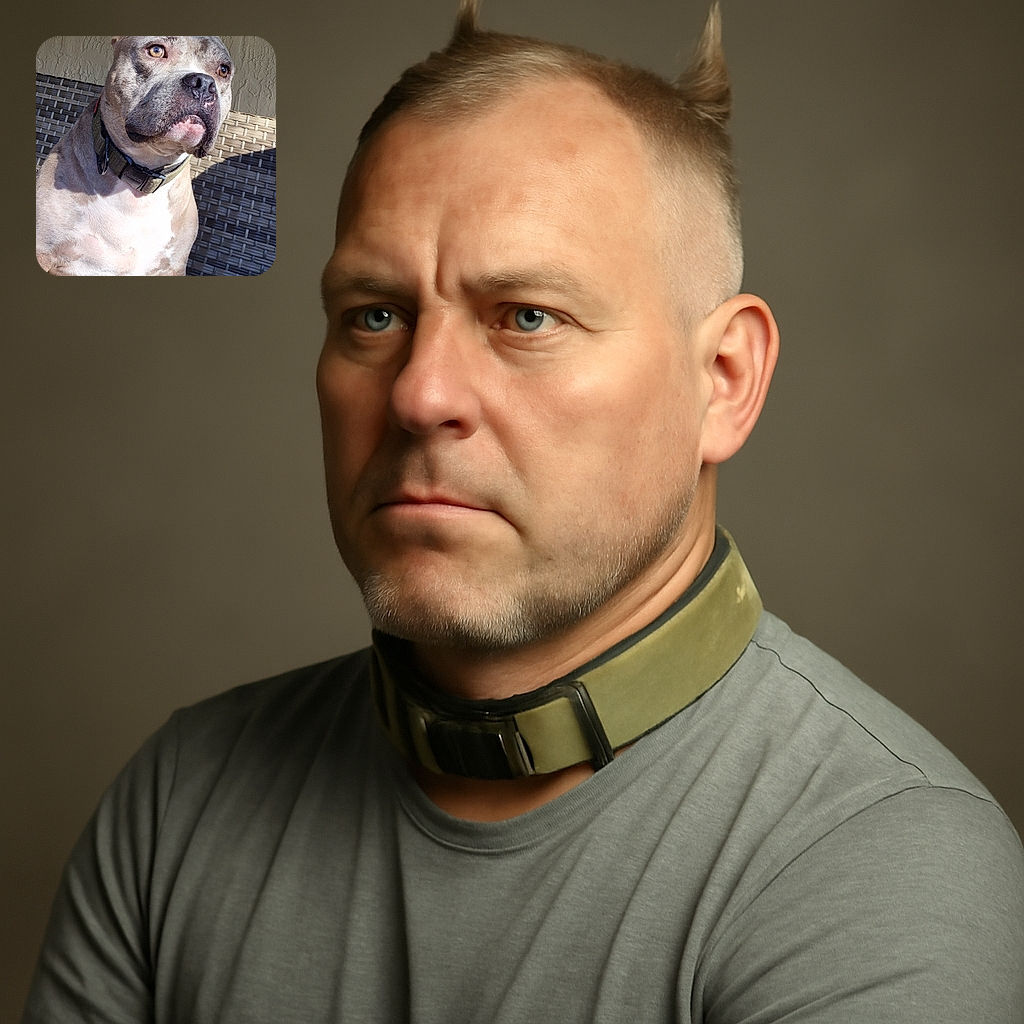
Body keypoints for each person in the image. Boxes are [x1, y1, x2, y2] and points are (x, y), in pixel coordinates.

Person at [22, 2, 1024, 1021]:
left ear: (722, 379)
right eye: (374, 314)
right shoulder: (179, 801)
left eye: (527, 317)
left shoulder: (878, 864)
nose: (419, 394)